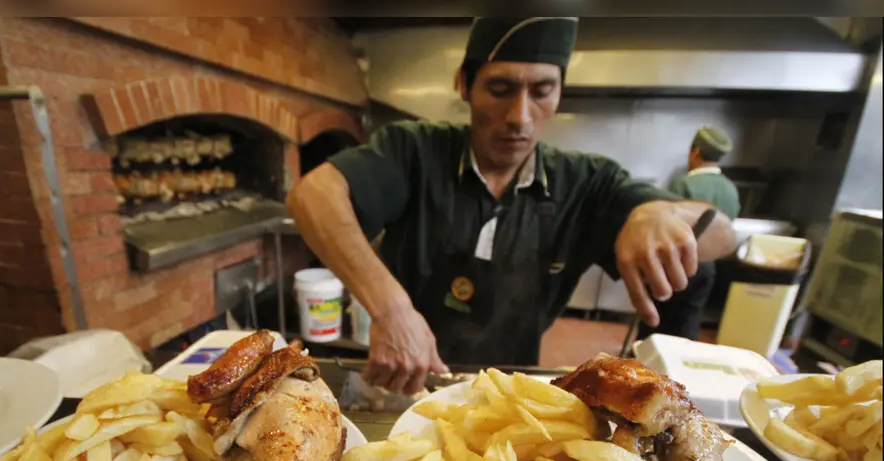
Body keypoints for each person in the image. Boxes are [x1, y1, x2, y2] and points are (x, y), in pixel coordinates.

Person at [287, 17, 736, 394]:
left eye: (542, 91)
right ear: (464, 84)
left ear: (560, 91)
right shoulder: (414, 151)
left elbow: (723, 236)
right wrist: (390, 309)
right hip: (407, 381)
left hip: (512, 392)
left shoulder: (587, 182)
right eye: (501, 88)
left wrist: (659, 213)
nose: (520, 116)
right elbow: (313, 195)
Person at [638, 126, 741, 341]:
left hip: (675, 263)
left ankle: (645, 364)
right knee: (689, 319)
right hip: (708, 268)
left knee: (657, 319)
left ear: (695, 152)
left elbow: (663, 228)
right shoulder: (730, 189)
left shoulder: (684, 184)